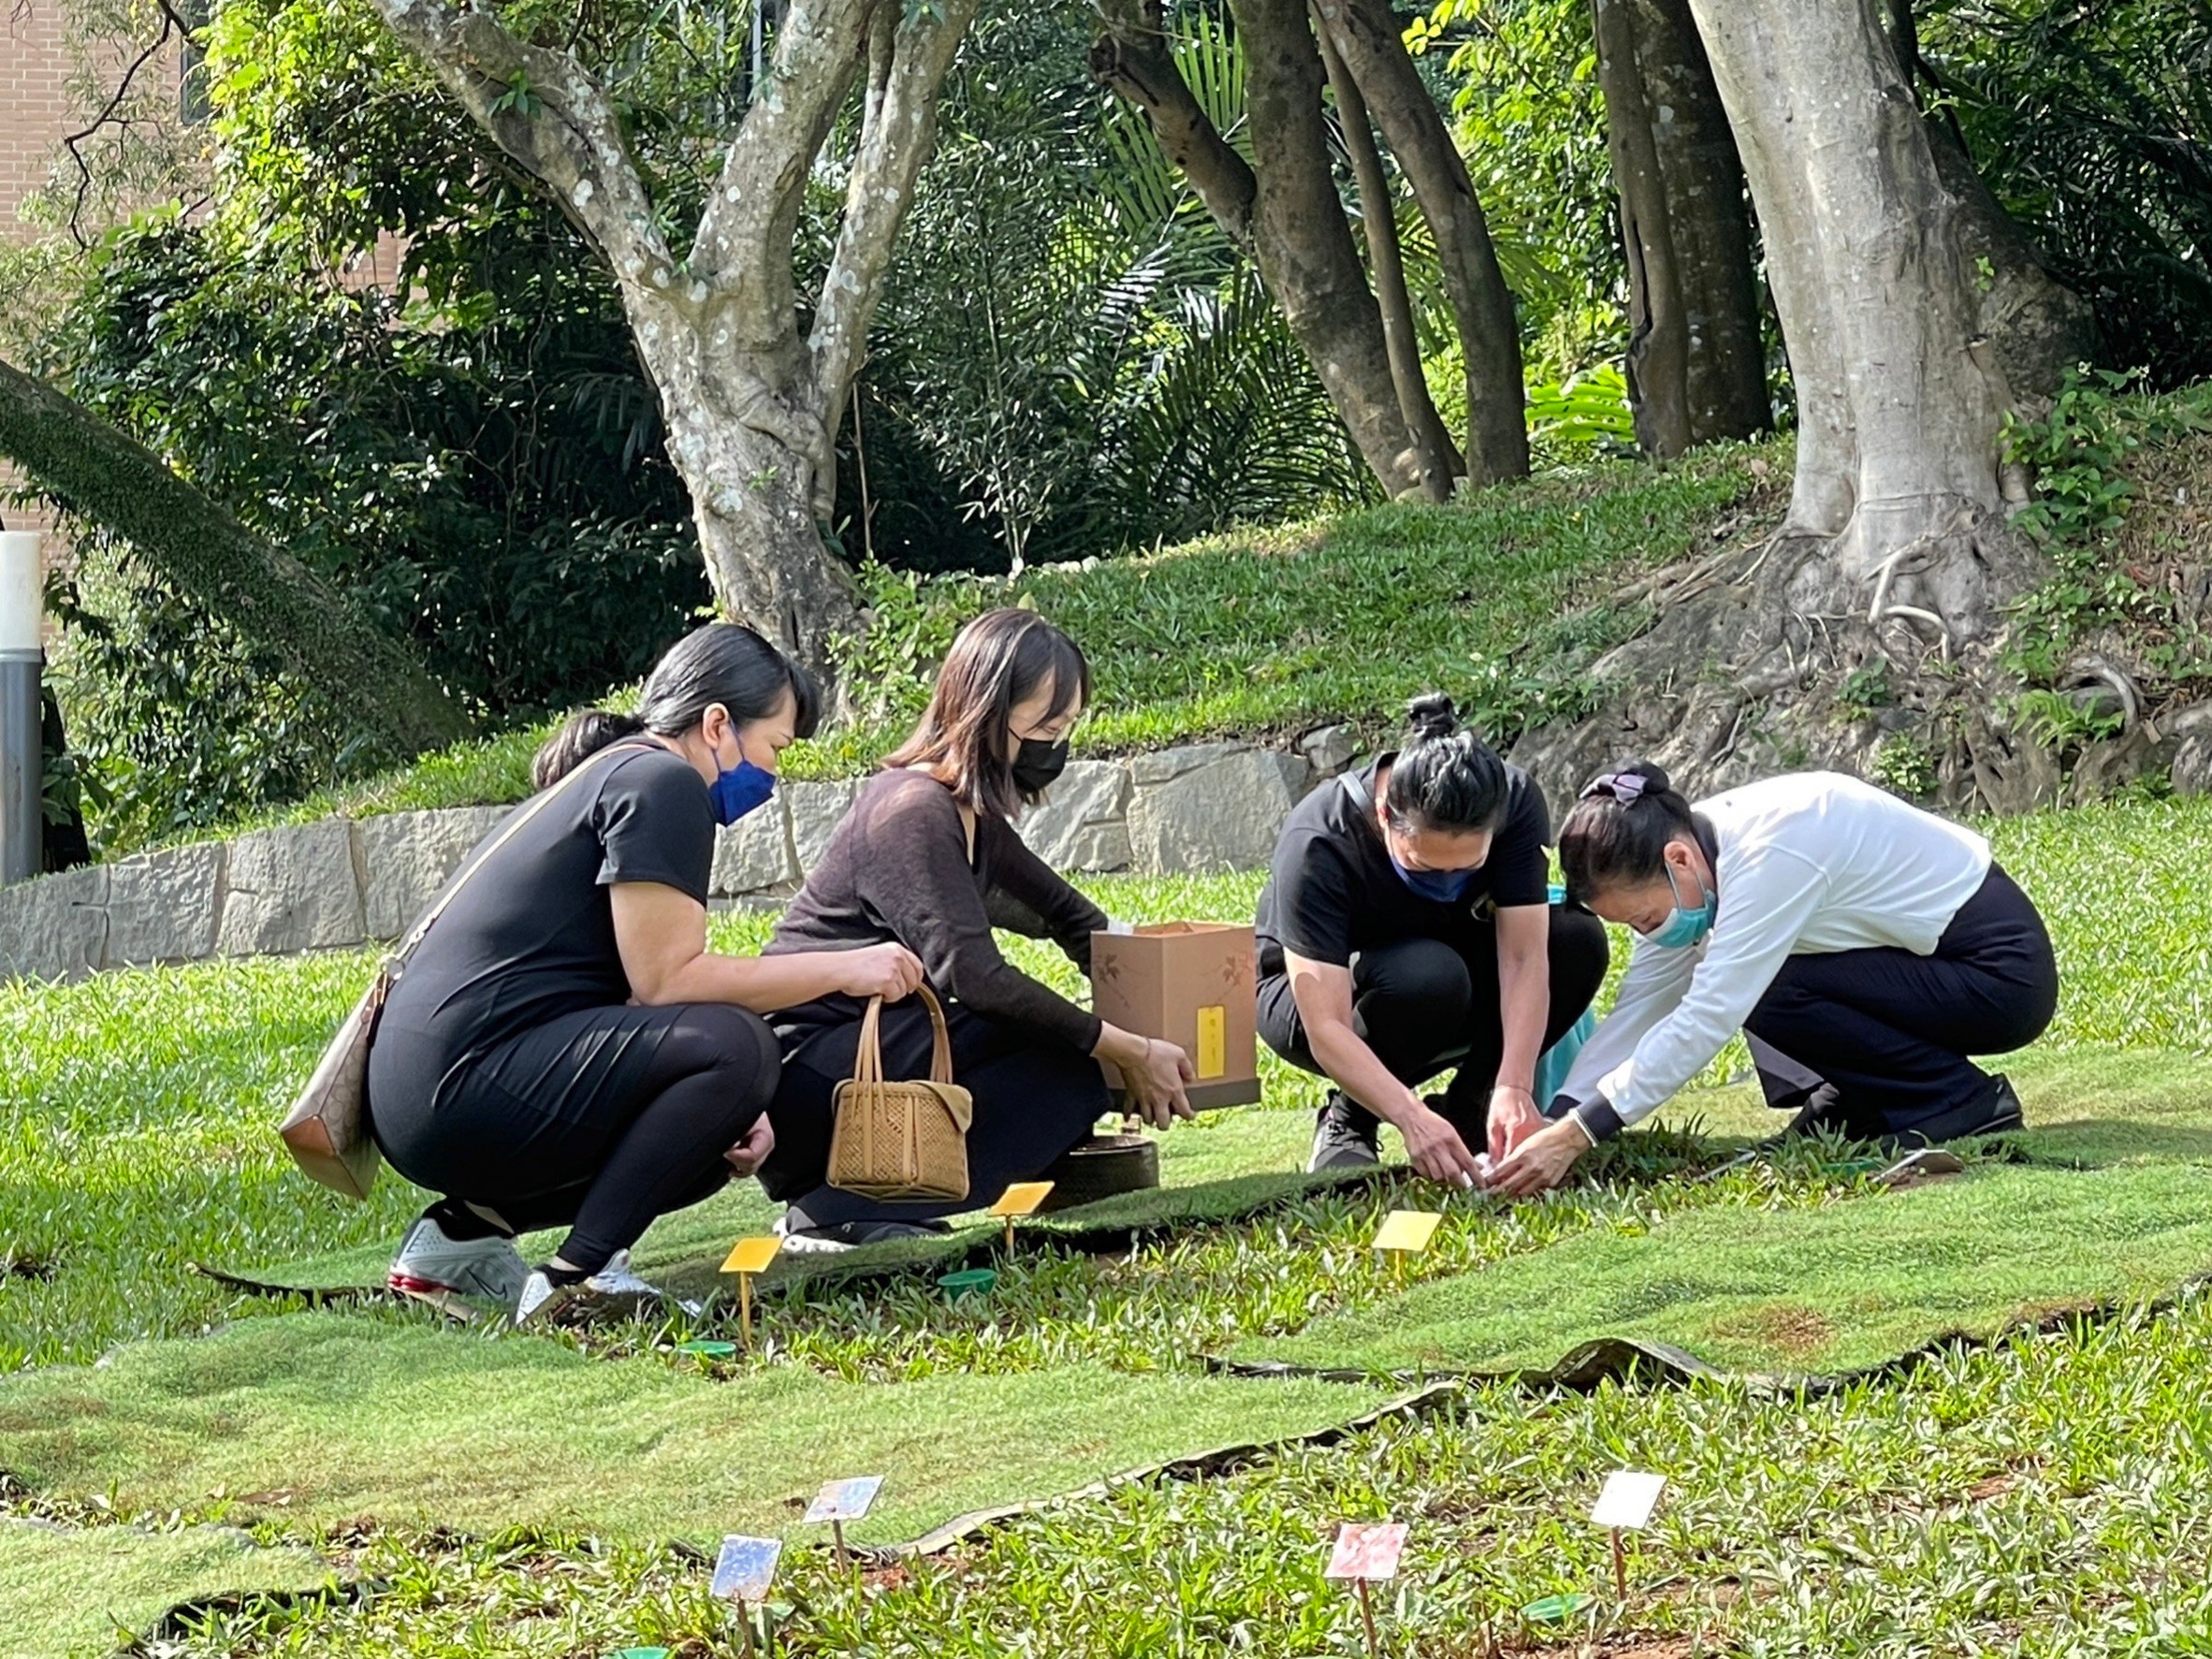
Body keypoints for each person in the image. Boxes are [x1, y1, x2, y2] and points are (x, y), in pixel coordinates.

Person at [368, 623, 924, 1321]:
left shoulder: (617, 772)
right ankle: (580, 1278)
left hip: (426, 1089)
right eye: (776, 747)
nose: (773, 774)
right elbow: (669, 981)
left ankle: (459, 1239)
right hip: (460, 1081)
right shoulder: (663, 780)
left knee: (708, 1138)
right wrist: (849, 968)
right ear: (717, 723)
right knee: (741, 1044)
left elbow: (638, 991)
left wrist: (725, 1102)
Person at [756, 607, 1196, 1250]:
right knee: (1078, 1066)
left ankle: (951, 1180)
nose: (1055, 743)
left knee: (1075, 1059)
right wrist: (1125, 1049)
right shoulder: (913, 811)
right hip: (814, 1074)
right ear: (988, 710)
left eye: (1066, 725)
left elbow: (1071, 918)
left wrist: (1159, 1009)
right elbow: (975, 976)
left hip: (878, 1044)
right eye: (1046, 724)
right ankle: (838, 1208)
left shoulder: (969, 814)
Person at [1486, 763, 2060, 1199]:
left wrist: (1578, 1135)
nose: (1650, 933)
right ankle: (1861, 1099)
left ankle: (1956, 1103)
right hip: (1919, 967)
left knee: (1761, 982)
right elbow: (1640, 1008)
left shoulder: (1772, 850)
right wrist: (1559, 1114)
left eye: (1646, 919)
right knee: (1760, 975)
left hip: (1999, 977)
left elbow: (1709, 1014)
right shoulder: (1680, 855)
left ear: (1679, 860)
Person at [1255, 693, 1610, 1178]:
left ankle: (1471, 1109)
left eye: (1468, 865)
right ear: (1385, 816)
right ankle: (1349, 1120)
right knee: (1427, 974)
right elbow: (1327, 1028)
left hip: (1453, 963)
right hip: (1319, 999)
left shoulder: (1515, 801)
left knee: (1575, 938)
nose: (1446, 881)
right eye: (1423, 865)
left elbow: (1526, 958)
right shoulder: (1320, 840)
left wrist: (1515, 1086)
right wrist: (1408, 1117)